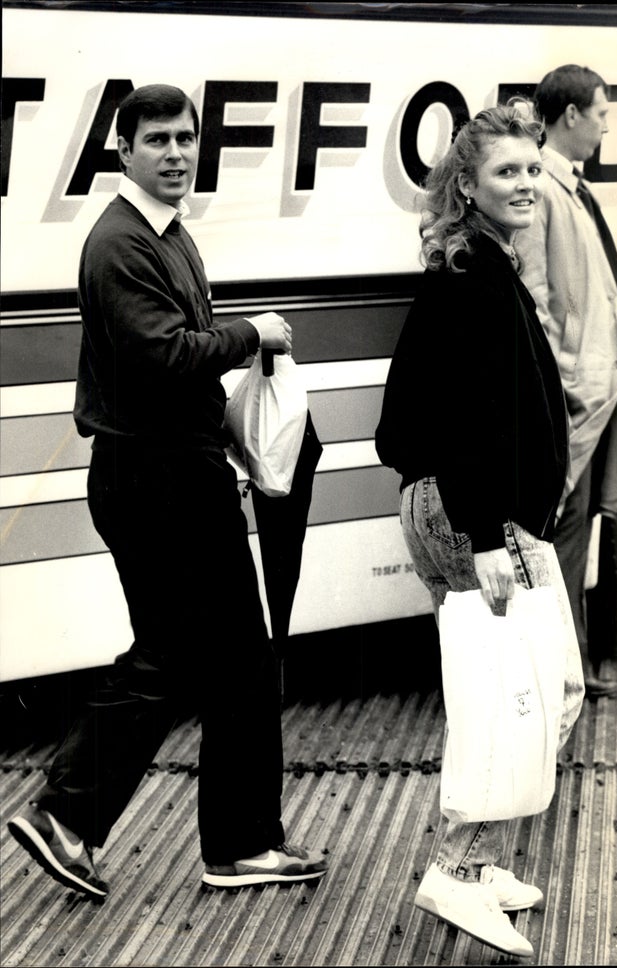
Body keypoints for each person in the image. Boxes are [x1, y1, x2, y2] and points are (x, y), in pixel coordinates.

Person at [7, 84, 327, 899]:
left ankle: (181, 834)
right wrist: (254, 333)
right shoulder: (121, 244)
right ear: (124, 150)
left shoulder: (169, 236)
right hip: (155, 481)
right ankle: (86, 815)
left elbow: (171, 373)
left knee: (210, 661)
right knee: (205, 660)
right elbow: (163, 355)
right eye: (158, 140)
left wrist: (232, 433)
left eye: (186, 138)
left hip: (173, 468)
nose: (177, 153)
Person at [374, 100, 584, 959]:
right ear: (466, 185)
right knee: (507, 701)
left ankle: (480, 856)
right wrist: (485, 538)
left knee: (552, 691)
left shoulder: (488, 266)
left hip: (498, 517)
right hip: (472, 522)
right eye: (507, 172)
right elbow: (444, 426)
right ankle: (455, 874)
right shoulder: (464, 280)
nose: (526, 183)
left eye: (533, 168)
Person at [513, 65, 617, 699]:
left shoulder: (567, 186)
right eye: (599, 113)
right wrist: (566, 384)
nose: (603, 126)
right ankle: (557, 675)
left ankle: (570, 670)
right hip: (575, 397)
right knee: (561, 534)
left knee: (576, 534)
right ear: (569, 115)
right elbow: (536, 293)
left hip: (592, 393)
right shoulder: (541, 187)